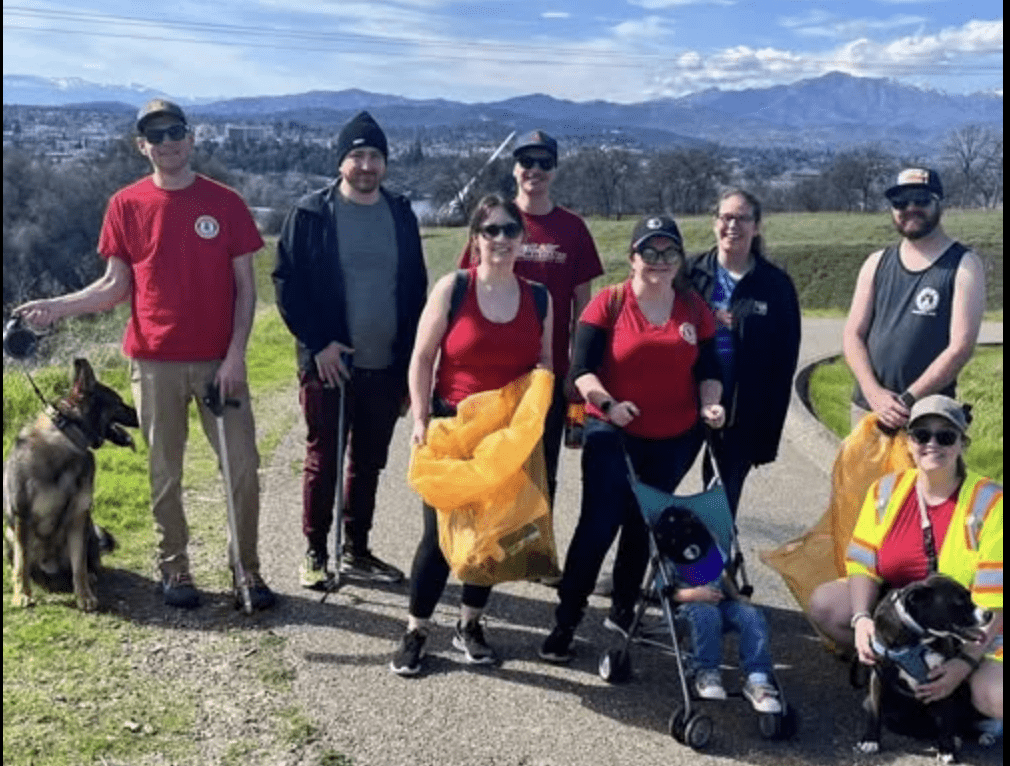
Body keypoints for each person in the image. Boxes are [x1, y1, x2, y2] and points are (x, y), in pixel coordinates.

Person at [14, 99, 274, 610]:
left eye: (176, 131)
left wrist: (236, 356)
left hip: (220, 363)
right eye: (156, 135)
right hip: (154, 363)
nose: (168, 142)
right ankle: (174, 569)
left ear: (191, 138)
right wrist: (55, 308)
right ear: (142, 146)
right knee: (164, 473)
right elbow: (113, 287)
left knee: (242, 467)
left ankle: (246, 569)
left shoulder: (225, 203)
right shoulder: (125, 205)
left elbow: (247, 288)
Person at [539, 215, 725, 663]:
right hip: (613, 432)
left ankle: (624, 610)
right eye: (649, 251)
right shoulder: (609, 302)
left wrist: (710, 405)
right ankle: (567, 618)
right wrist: (609, 404)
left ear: (679, 259)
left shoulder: (693, 308)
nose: (659, 260)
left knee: (643, 524)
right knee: (599, 524)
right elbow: (581, 371)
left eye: (669, 251)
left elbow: (709, 371)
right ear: (632, 258)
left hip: (673, 438)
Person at [391, 195, 553, 676]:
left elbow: (545, 362)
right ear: (476, 238)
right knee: (438, 537)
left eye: (510, 230)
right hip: (453, 430)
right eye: (491, 230)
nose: (501, 239)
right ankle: (416, 630)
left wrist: (534, 414)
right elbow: (423, 358)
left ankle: (470, 625)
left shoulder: (539, 297)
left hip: (506, 438)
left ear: (523, 239)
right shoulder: (454, 288)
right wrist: (421, 419)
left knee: (491, 535)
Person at [274, 111, 428, 587]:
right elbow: (287, 284)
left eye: (375, 156)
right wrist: (318, 344)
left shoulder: (400, 213)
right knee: (324, 459)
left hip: (386, 364)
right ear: (341, 161)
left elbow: (415, 289)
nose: (366, 165)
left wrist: (411, 366)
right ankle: (316, 552)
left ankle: (357, 548)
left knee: (369, 463)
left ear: (385, 163)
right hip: (330, 364)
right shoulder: (311, 214)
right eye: (357, 155)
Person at [808, 395, 1002, 724]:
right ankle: (900, 669)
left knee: (993, 697)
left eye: (945, 436)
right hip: (911, 615)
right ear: (909, 443)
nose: (932, 444)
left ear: (962, 444)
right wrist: (862, 620)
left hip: (975, 621)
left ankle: (966, 703)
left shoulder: (992, 503)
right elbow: (862, 563)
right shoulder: (885, 490)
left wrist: (964, 664)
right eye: (922, 435)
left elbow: (994, 600)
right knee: (826, 605)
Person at [458, 130, 603, 502]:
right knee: (487, 470)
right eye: (526, 161)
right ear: (514, 168)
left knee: (540, 472)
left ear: (555, 170)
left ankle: (537, 539)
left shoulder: (573, 228)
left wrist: (577, 369)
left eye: (544, 162)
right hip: (492, 374)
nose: (535, 169)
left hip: (547, 374)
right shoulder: (495, 221)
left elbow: (583, 309)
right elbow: (466, 293)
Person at [843, 168, 985, 432]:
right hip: (868, 409)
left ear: (939, 203)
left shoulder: (964, 265)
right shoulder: (876, 262)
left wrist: (906, 400)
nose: (910, 208)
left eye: (921, 200)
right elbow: (853, 335)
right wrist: (873, 393)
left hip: (928, 419)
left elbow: (960, 348)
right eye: (900, 202)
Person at [689, 189, 801, 518]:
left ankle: (715, 551)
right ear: (714, 222)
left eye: (742, 218)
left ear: (757, 226)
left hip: (741, 415)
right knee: (659, 493)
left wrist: (769, 433)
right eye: (726, 217)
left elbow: (783, 364)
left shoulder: (775, 285)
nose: (733, 226)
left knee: (719, 505)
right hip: (684, 402)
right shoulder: (689, 274)